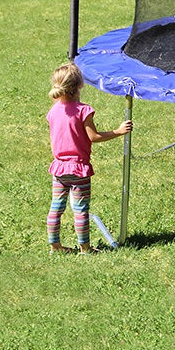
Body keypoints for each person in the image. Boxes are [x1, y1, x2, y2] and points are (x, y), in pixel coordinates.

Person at [46, 62, 132, 254]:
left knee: (56, 208)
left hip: (59, 169)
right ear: (79, 86)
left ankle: (55, 247)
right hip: (78, 169)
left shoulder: (53, 111)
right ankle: (85, 248)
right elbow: (93, 137)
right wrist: (118, 131)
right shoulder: (83, 111)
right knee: (80, 210)